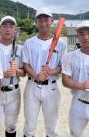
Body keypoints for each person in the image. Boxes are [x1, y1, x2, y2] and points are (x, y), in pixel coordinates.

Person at [22, 8, 67, 137]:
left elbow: (63, 65)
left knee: (52, 126)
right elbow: (25, 64)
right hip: (32, 86)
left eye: (46, 20)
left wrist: (52, 70)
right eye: (40, 20)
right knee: (30, 126)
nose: (43, 23)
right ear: (35, 22)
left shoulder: (61, 44)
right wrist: (35, 75)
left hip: (51, 87)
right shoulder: (29, 43)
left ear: (52, 21)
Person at [0, 16, 25, 137]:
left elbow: (24, 73)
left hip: (13, 91)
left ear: (15, 29)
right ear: (0, 28)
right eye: (5, 26)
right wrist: (3, 74)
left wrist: (17, 71)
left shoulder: (20, 48)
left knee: (11, 125)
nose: (8, 29)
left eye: (11, 26)